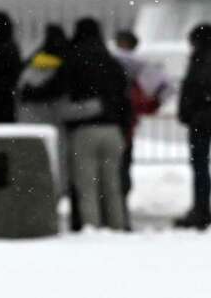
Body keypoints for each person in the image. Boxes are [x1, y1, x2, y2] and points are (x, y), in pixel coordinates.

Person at [23, 17, 130, 231]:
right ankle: (118, 226)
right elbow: (123, 97)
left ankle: (92, 227)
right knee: (112, 186)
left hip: (85, 130)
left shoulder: (75, 60)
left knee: (87, 186)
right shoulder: (114, 63)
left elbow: (55, 88)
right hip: (113, 130)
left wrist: (30, 93)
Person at [17, 24, 78, 229]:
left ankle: (35, 210)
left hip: (29, 125)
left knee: (34, 170)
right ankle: (52, 204)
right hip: (55, 125)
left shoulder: (31, 66)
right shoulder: (66, 65)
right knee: (57, 170)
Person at [112, 29, 168, 223]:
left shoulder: (110, 61)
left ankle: (110, 213)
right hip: (127, 126)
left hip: (107, 123)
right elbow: (157, 94)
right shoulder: (142, 66)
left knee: (108, 171)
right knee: (124, 169)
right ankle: (122, 211)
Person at [175, 23, 211, 230]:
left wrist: (191, 112)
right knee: (201, 166)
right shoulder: (210, 60)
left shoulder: (202, 61)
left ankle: (201, 210)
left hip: (201, 120)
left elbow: (200, 90)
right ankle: (201, 208)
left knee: (200, 167)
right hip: (204, 119)